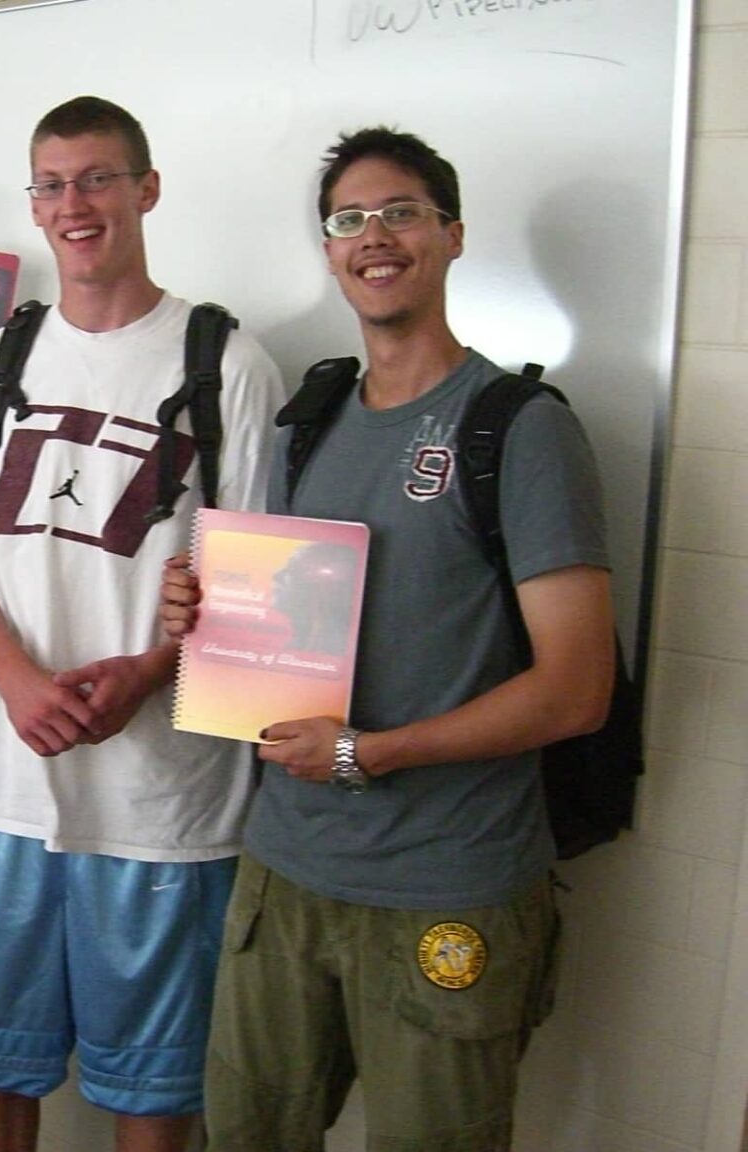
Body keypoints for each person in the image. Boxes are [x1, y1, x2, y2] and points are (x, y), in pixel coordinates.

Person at [163, 128, 616, 1151]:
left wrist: (371, 753)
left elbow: (576, 690)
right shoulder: (306, 419)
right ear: (327, 251)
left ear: (451, 234)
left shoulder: (520, 428)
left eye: (402, 211)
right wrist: (205, 615)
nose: (375, 236)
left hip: (443, 891)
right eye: (348, 220)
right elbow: (279, 637)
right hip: (284, 877)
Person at [0, 96, 285, 1152]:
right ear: (35, 204)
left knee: (153, 1100)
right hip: (1, 796)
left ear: (146, 189)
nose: (76, 205)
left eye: (100, 179)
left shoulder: (228, 367)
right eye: (54, 185)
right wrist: (18, 681)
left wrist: (155, 669)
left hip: (166, 808)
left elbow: (260, 599)